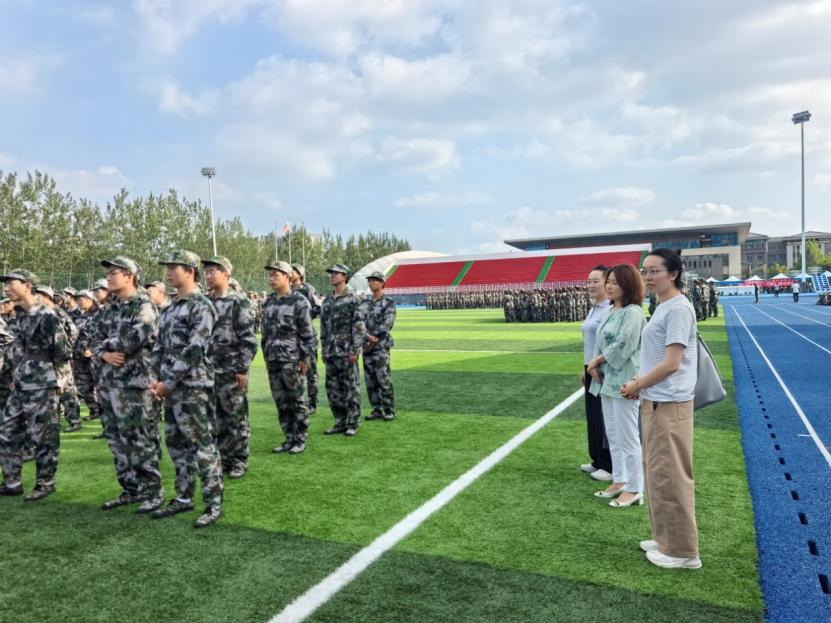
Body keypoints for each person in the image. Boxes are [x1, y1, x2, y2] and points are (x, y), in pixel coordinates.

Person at [621, 249, 700, 569]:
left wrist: (638, 385)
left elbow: (671, 363)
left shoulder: (678, 309)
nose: (648, 277)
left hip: (670, 402)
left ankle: (682, 552)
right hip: (656, 400)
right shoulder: (664, 306)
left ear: (674, 273)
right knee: (657, 474)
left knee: (671, 477)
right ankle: (665, 538)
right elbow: (656, 359)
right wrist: (639, 383)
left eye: (655, 271)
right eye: (645, 271)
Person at [149, 251, 223, 528]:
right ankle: (183, 497)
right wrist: (154, 378)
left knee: (202, 446)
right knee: (177, 445)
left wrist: (167, 382)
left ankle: (213, 503)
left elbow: (195, 349)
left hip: (193, 387)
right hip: (170, 388)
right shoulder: (170, 308)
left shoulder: (201, 305)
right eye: (167, 267)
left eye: (174, 267)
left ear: (190, 271)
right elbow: (159, 347)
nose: (168, 272)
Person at [95, 256, 164, 513]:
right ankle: (130, 489)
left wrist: (106, 344)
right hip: (108, 383)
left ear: (130, 276)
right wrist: (104, 354)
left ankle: (153, 491)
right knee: (116, 439)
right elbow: (91, 338)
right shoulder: (109, 307)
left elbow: (134, 339)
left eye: (114, 272)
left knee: (139, 439)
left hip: (134, 384)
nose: (109, 277)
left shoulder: (143, 305)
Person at [0, 270, 71, 501]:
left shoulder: (46, 315)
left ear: (28, 286)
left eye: (11, 284)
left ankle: (45, 482)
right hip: (20, 383)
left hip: (42, 383)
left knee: (44, 436)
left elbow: (62, 351)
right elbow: (16, 348)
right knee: (7, 431)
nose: (6, 288)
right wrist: (13, 374)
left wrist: (61, 380)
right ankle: (12, 482)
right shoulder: (19, 314)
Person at [586, 264, 646, 508]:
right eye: (608, 281)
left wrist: (597, 360)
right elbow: (600, 342)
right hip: (606, 380)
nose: (609, 286)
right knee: (613, 434)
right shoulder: (611, 310)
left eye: (615, 282)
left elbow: (624, 344)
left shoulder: (633, 312)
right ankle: (620, 479)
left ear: (628, 285)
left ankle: (635, 487)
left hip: (625, 380)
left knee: (628, 435)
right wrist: (594, 364)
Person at [203, 256, 258, 477]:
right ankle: (224, 458)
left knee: (235, 416)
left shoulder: (237, 302)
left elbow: (248, 339)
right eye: (206, 272)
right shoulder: (206, 303)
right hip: (210, 370)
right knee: (217, 417)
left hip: (232, 370)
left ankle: (239, 460)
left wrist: (243, 369)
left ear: (226, 274)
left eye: (213, 271)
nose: (208, 275)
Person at [262, 261, 315, 454]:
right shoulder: (268, 302)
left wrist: (304, 359)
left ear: (287, 277)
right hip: (273, 359)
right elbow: (265, 332)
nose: (271, 278)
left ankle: (300, 438)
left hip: (292, 360)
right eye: (270, 275)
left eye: (276, 275)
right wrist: (266, 355)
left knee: (297, 400)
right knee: (281, 401)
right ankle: (289, 438)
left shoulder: (299, 301)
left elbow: (308, 334)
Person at [320, 264, 366, 436]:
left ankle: (353, 421)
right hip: (331, 351)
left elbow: (358, 327)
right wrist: (323, 349)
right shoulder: (327, 301)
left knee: (350, 388)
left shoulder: (353, 299)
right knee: (333, 389)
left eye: (336, 273)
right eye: (331, 273)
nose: (332, 276)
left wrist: (355, 350)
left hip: (346, 352)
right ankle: (339, 421)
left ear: (344, 276)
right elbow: (324, 327)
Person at [579, 265, 613, 482]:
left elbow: (610, 343)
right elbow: (589, 342)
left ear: (607, 283)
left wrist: (595, 365)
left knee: (604, 417)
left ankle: (608, 464)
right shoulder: (595, 308)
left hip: (602, 369)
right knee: (593, 416)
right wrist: (584, 368)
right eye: (589, 281)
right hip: (590, 367)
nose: (590, 285)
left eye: (596, 281)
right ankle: (597, 460)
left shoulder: (610, 309)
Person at [34, 286, 83, 433]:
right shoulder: (40, 313)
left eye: (39, 295)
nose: (36, 298)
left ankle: (74, 420)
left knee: (67, 391)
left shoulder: (58, 312)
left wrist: (67, 349)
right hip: (46, 358)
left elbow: (73, 331)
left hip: (60, 359)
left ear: (47, 297)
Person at [361, 271, 397, 422]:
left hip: (380, 346)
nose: (371, 283)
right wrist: (366, 338)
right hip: (366, 346)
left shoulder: (388, 302)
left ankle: (389, 409)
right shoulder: (364, 303)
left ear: (382, 283)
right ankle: (376, 409)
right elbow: (358, 323)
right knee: (370, 380)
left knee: (383, 378)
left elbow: (387, 324)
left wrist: (371, 341)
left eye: (374, 280)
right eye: (369, 280)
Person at [290, 263, 322, 414]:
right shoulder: (287, 290)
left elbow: (318, 307)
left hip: (306, 336)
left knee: (310, 370)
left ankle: (312, 403)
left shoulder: (307, 289)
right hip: (291, 337)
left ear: (300, 274)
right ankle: (297, 402)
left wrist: (306, 319)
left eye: (293, 271)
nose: (290, 273)